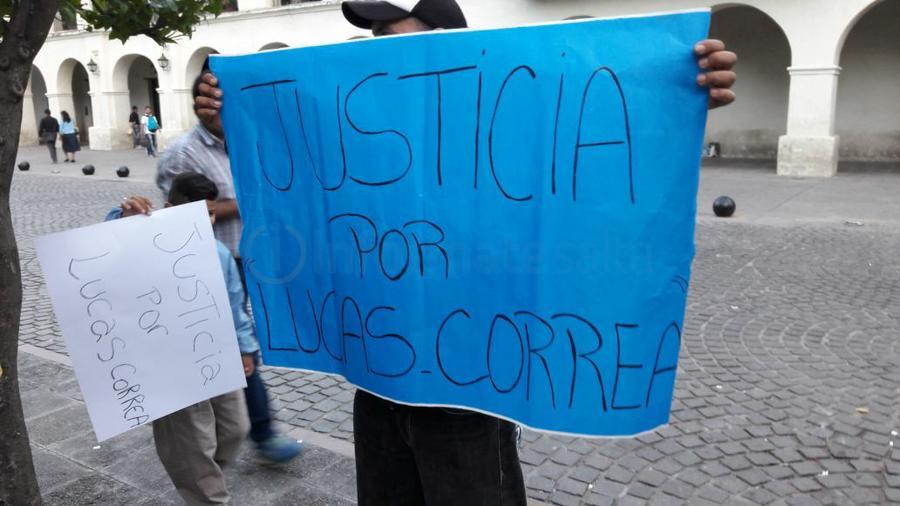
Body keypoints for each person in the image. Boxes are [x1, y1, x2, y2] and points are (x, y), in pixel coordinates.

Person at [193, 1, 739, 503]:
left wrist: (673, 92)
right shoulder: (365, 131)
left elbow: (596, 163)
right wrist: (234, 122)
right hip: (379, 379)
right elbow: (301, 167)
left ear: (444, 42)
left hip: (466, 395)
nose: (379, 51)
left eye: (392, 37)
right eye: (375, 38)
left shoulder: (506, 117)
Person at [157, 79, 303, 465]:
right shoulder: (183, 154)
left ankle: (240, 426)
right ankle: (256, 432)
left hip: (253, 260)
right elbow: (181, 214)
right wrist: (250, 201)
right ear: (203, 103)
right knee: (236, 345)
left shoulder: (249, 144)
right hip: (209, 266)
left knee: (242, 341)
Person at [106, 173, 258, 505]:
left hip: (215, 353)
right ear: (169, 209)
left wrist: (245, 347)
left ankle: (200, 475)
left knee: (234, 429)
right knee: (190, 440)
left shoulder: (218, 253)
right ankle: (207, 495)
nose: (206, 223)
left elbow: (234, 302)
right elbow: (107, 255)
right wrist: (124, 219)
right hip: (170, 364)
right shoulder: (143, 242)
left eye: (211, 214)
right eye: (196, 215)